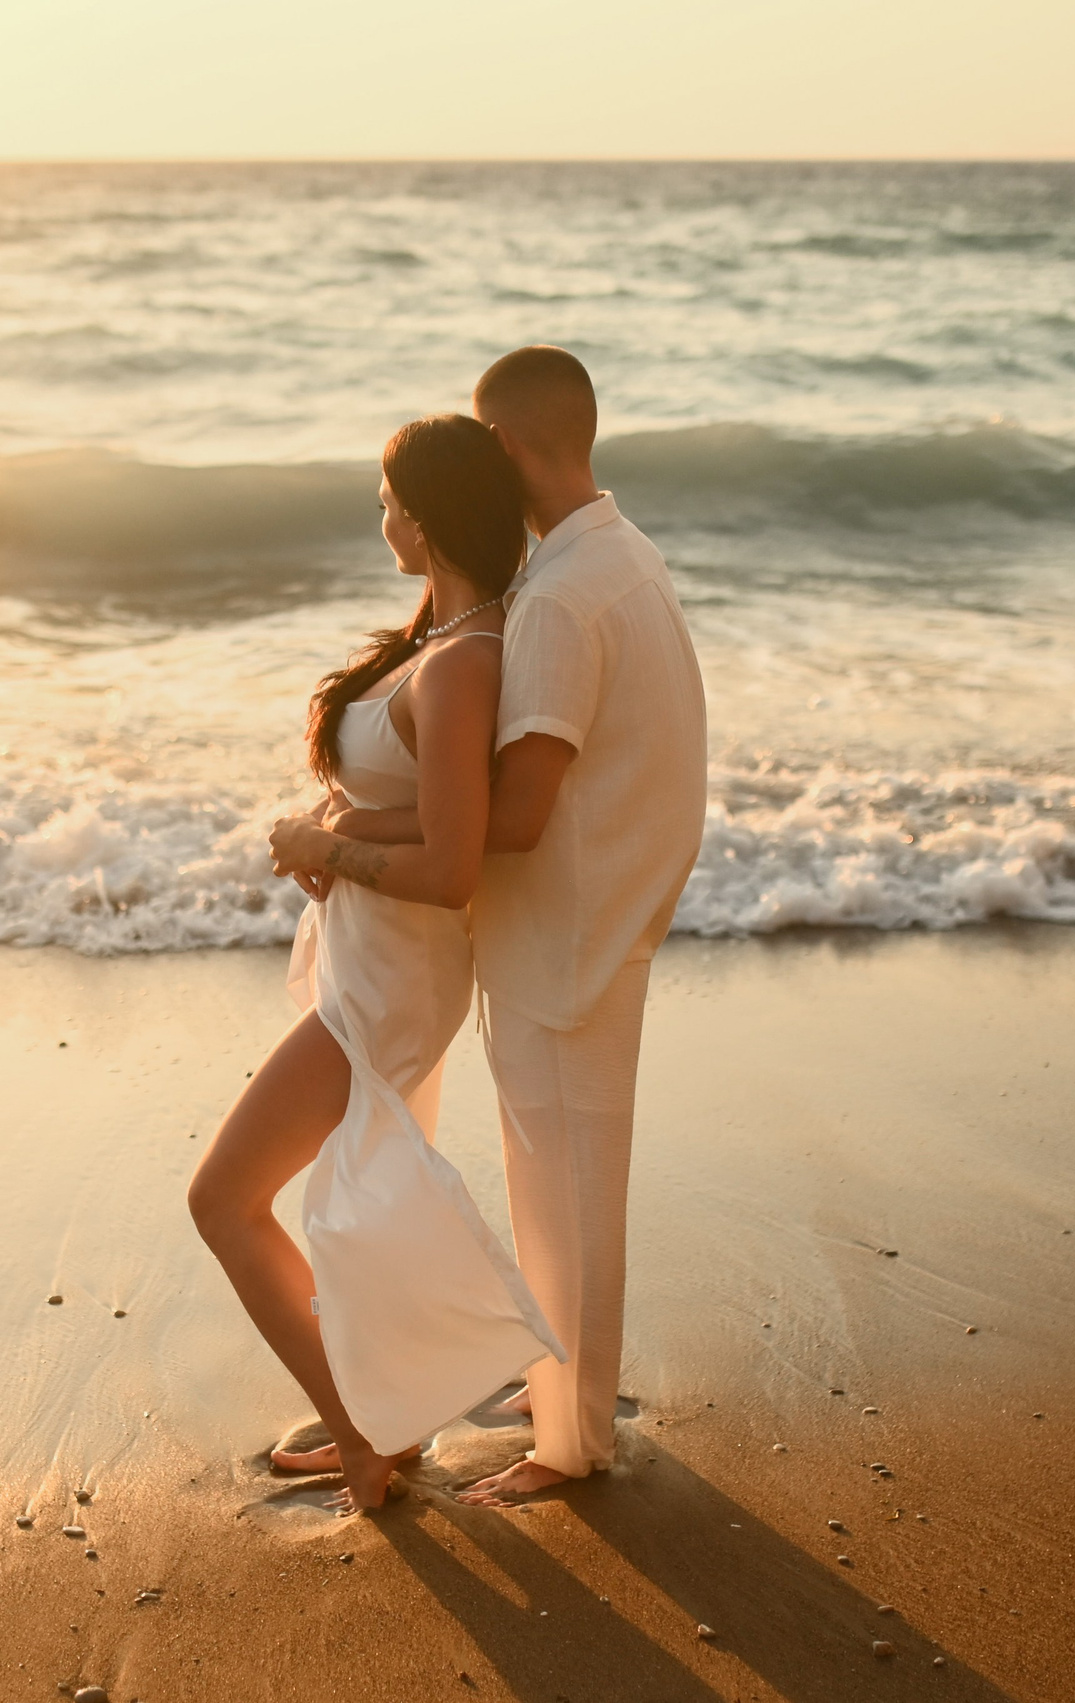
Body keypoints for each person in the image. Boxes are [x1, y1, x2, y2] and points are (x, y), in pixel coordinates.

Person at [275, 347, 707, 1505]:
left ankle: (570, 1440)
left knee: (562, 1186)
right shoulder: (615, 556)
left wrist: (341, 842)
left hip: (565, 927)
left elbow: (510, 818)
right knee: (556, 1173)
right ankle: (546, 1373)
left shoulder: (562, 598)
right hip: (596, 913)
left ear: (508, 446)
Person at [190, 414, 561, 1514]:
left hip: (396, 975)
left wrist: (328, 847)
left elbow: (454, 860)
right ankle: (377, 1413)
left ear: (430, 514)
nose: (382, 515)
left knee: (223, 1198)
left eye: (389, 497)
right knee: (274, 1198)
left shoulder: (462, 664)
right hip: (378, 962)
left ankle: (366, 1435)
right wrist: (341, 821)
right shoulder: (444, 640)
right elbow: (428, 810)